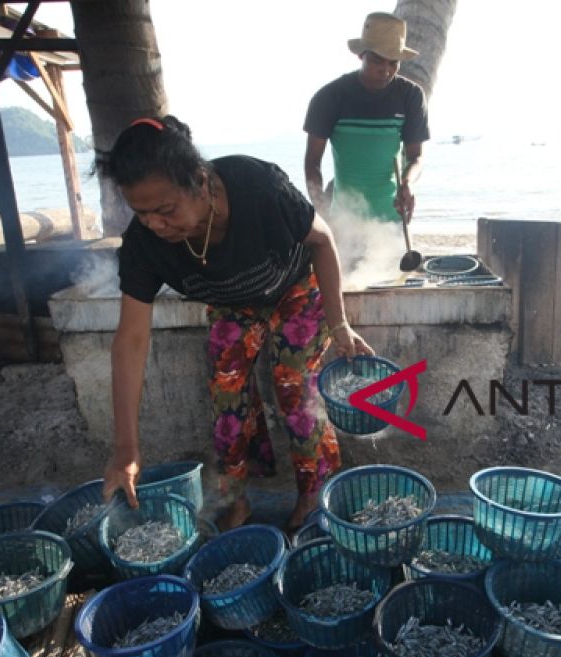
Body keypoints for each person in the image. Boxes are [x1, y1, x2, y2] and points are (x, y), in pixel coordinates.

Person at [98, 116, 374, 533]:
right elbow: (131, 340)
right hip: (232, 305)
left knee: (295, 383)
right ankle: (236, 497)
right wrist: (125, 450)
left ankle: (313, 492)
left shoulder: (258, 186)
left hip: (294, 288)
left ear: (201, 181)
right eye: (142, 212)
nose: (155, 224)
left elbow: (322, 240)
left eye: (166, 210)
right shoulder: (143, 244)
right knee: (226, 393)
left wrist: (339, 325)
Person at [304, 12, 429, 226]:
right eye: (377, 60)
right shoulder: (330, 97)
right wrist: (322, 211)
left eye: (393, 63)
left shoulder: (411, 95)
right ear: (361, 55)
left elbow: (415, 156)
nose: (386, 70)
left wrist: (407, 183)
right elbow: (312, 162)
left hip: (392, 220)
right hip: (344, 220)